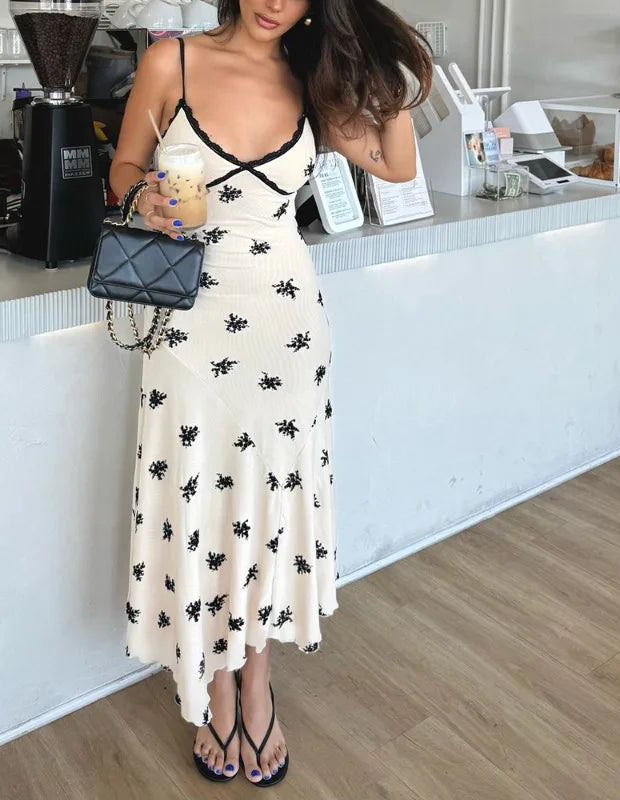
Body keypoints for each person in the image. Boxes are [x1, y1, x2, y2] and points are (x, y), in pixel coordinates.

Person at [109, 0, 432, 786]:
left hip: (286, 327)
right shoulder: (170, 62)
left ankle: (254, 675)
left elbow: (396, 164)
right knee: (203, 503)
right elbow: (122, 169)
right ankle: (212, 679)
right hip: (187, 322)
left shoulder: (313, 81)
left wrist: (380, 64)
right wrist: (140, 198)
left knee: (263, 502)